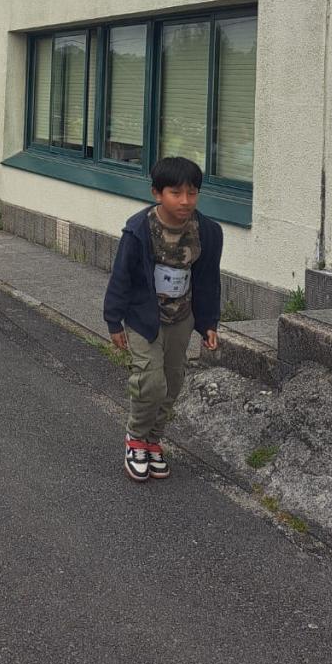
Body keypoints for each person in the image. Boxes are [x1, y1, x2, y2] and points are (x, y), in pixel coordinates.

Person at [103, 156, 222, 483]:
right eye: (176, 193)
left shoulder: (207, 232)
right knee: (150, 382)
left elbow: (208, 280)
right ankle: (135, 438)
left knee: (172, 381)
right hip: (143, 317)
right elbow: (121, 277)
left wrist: (208, 323)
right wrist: (113, 320)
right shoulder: (139, 229)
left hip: (182, 317)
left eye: (192, 193)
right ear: (157, 193)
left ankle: (153, 440)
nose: (185, 201)